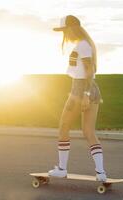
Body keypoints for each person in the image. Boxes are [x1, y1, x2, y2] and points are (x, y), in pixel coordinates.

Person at [48, 15, 107, 181]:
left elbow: (89, 70)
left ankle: (61, 169)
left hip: (81, 89)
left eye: (64, 30)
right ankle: (101, 173)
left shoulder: (82, 45)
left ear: (71, 28)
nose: (64, 35)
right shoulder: (84, 44)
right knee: (88, 132)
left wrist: (85, 95)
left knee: (63, 127)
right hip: (87, 89)